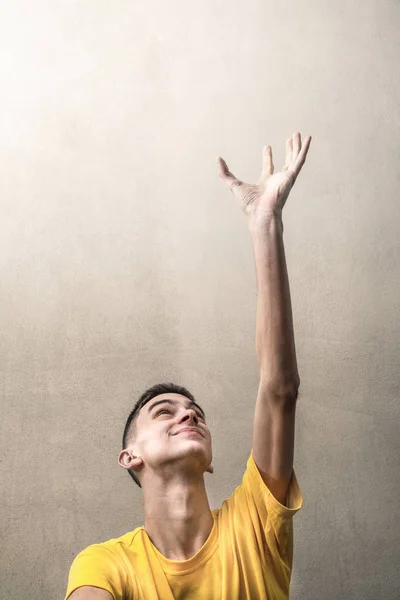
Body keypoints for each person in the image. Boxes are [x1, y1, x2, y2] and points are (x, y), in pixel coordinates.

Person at [63, 132, 312, 599]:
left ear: (211, 461)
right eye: (164, 411)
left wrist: (265, 224)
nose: (188, 413)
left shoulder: (254, 525)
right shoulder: (104, 564)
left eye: (194, 410)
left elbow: (280, 389)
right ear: (129, 456)